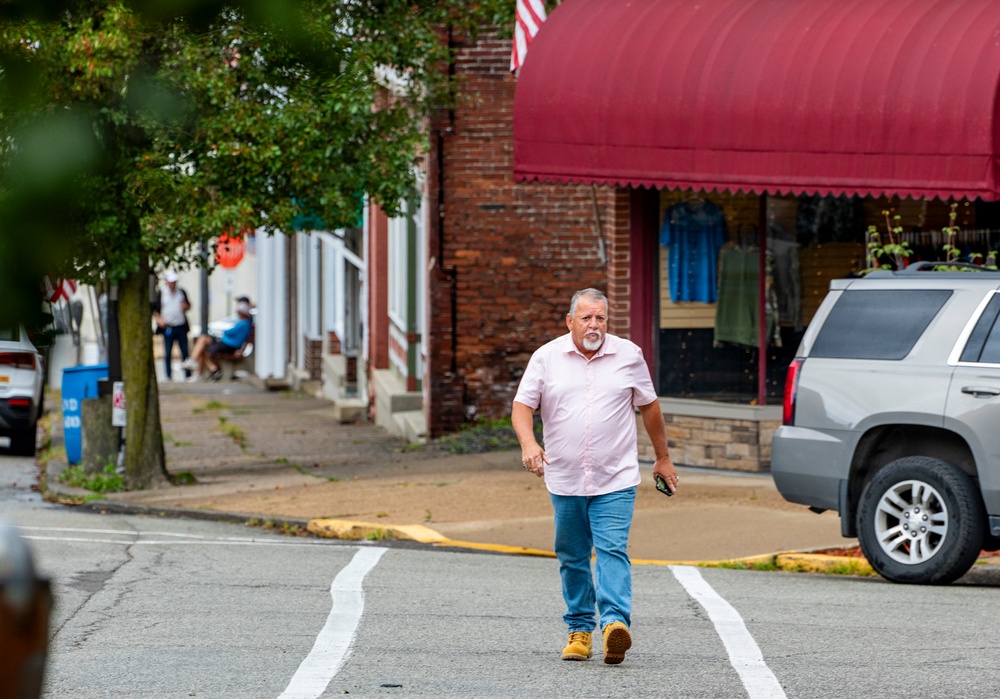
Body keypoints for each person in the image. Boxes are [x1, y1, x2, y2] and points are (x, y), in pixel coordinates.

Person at [512, 288, 678, 665]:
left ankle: (615, 625)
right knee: (572, 555)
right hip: (565, 478)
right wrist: (528, 444)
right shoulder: (546, 357)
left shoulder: (628, 356)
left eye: (600, 318)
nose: (594, 324)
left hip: (615, 478)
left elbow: (649, 406)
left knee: (611, 550)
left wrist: (663, 459)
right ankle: (580, 629)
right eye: (586, 317)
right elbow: (522, 406)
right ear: (570, 321)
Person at [184, 300, 253, 381]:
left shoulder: (244, 324)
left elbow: (229, 332)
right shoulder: (245, 323)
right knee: (203, 344)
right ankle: (207, 368)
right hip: (227, 343)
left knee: (203, 341)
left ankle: (197, 363)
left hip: (228, 345)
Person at [153, 270, 191, 381]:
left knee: (184, 351)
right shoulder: (161, 293)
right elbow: (155, 309)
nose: (172, 284)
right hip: (168, 327)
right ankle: (168, 375)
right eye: (170, 282)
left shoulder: (181, 292)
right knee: (168, 352)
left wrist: (186, 307)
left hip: (180, 326)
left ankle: (187, 375)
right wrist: (160, 320)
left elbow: (188, 305)